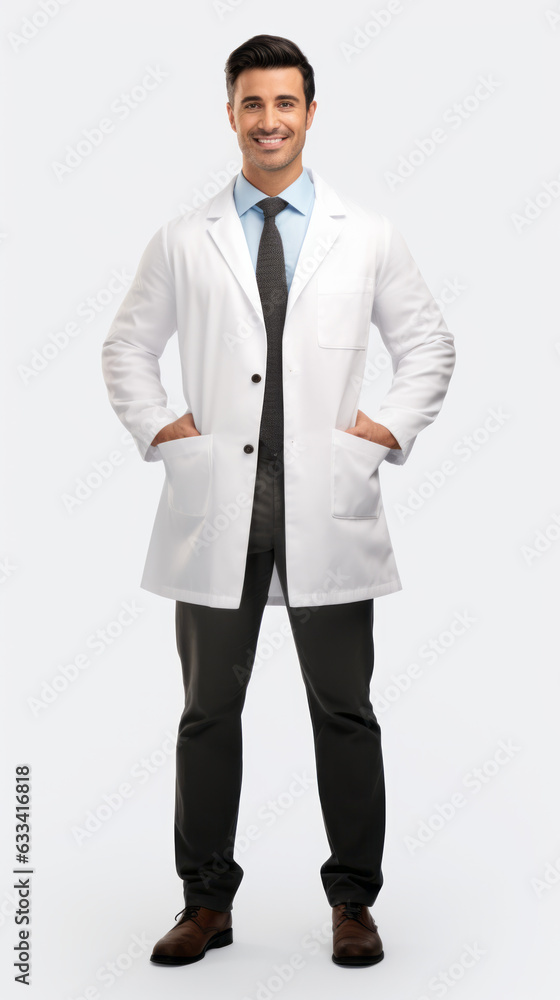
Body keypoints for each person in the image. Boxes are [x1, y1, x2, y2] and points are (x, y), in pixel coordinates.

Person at [101, 33, 456, 969]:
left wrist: (379, 432)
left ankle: (354, 903)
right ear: (230, 114)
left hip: (326, 511)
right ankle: (205, 903)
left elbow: (429, 346)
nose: (269, 121)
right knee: (207, 713)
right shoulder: (183, 241)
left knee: (344, 711)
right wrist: (164, 429)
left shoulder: (366, 234)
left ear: (310, 112)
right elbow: (126, 348)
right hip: (219, 510)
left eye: (285, 103)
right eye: (252, 103)